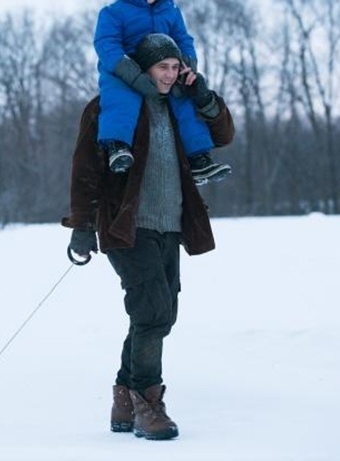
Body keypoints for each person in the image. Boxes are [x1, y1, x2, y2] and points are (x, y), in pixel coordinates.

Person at [62, 33, 235, 440]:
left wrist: (203, 94)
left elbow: (223, 134)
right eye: (163, 67)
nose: (170, 74)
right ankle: (147, 403)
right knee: (154, 310)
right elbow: (84, 170)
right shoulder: (111, 107)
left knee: (157, 313)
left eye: (176, 67)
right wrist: (83, 227)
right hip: (126, 225)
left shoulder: (180, 106)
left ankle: (124, 399)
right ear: (145, 68)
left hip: (170, 224)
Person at [94, 0, 231, 185]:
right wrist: (131, 73)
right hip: (124, 68)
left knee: (184, 100)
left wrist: (186, 66)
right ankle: (118, 145)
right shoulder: (114, 13)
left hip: (165, 66)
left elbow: (183, 39)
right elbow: (106, 44)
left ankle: (198, 158)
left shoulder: (170, 10)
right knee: (120, 98)